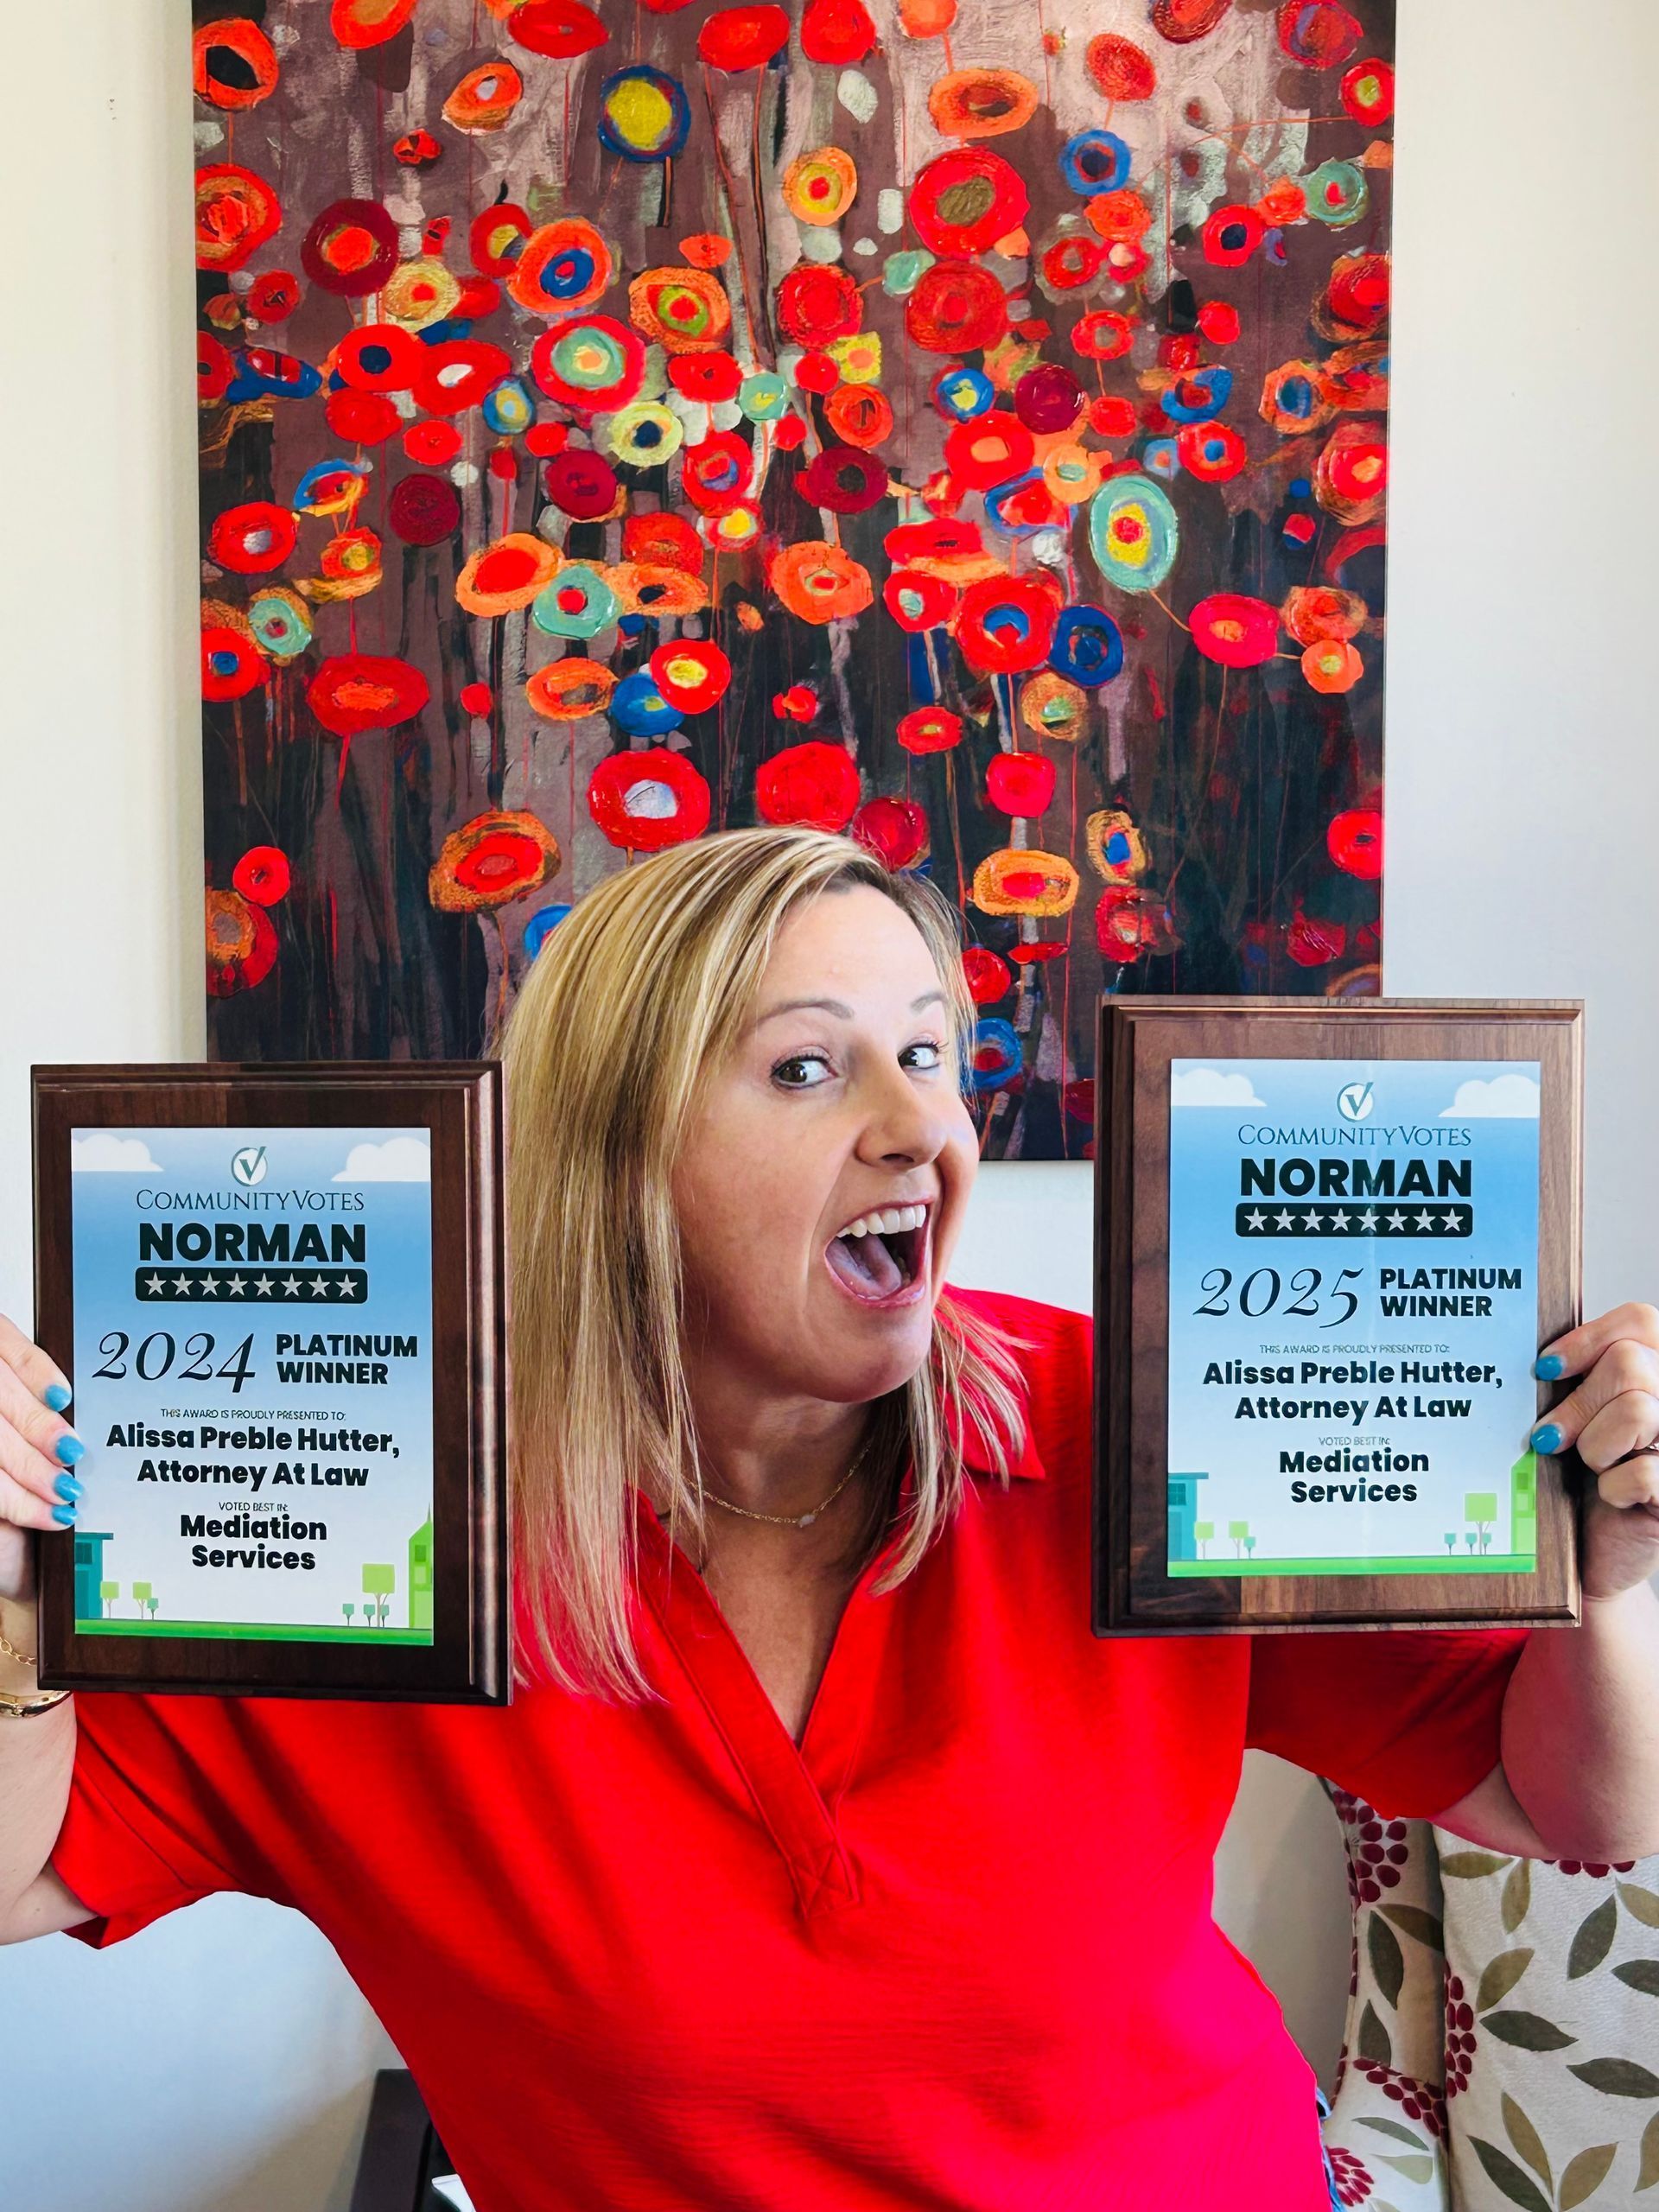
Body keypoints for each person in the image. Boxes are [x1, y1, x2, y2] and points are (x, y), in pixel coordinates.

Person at [2, 826, 1658, 2212]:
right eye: (810, 1065)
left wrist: (1622, 1566)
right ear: (613, 1154)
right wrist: (14, 1610)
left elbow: (1576, 1804)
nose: (922, 1125)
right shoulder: (357, 1494)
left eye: (932, 1052)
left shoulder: (1129, 1420)